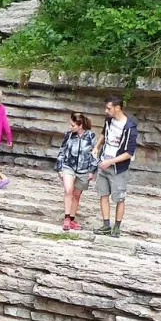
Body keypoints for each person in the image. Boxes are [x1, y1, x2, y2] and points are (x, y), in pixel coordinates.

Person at [93, 95, 138, 235]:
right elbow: (103, 133)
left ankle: (117, 227)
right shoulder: (109, 121)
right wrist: (96, 147)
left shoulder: (129, 127)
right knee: (103, 194)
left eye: (109, 108)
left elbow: (129, 153)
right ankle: (106, 224)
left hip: (118, 167)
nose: (106, 111)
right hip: (103, 162)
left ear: (117, 108)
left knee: (119, 198)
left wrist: (110, 162)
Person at [54, 112, 97, 229]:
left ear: (80, 125)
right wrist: (59, 167)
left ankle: (72, 219)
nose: (70, 127)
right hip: (69, 166)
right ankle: (66, 218)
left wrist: (92, 170)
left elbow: (95, 153)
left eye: (73, 125)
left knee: (76, 195)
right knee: (68, 190)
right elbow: (62, 151)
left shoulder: (91, 136)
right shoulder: (68, 135)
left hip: (83, 169)